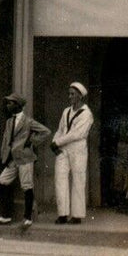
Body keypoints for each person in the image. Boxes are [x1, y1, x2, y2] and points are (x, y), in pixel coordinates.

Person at [0, 93, 50, 226]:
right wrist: (4, 156)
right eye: (7, 103)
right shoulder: (9, 121)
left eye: (10, 103)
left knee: (27, 186)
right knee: (1, 183)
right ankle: (6, 215)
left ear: (18, 105)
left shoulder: (28, 121)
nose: (8, 105)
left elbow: (45, 131)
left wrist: (31, 142)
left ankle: (27, 217)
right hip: (12, 159)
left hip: (24, 158)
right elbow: (6, 140)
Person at [51, 81, 94, 224]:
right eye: (69, 94)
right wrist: (54, 141)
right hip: (64, 149)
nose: (70, 97)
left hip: (78, 150)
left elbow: (76, 134)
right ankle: (62, 213)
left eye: (73, 94)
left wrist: (58, 142)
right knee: (60, 179)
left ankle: (77, 215)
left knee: (78, 180)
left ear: (80, 96)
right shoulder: (66, 111)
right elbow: (61, 129)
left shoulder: (87, 114)